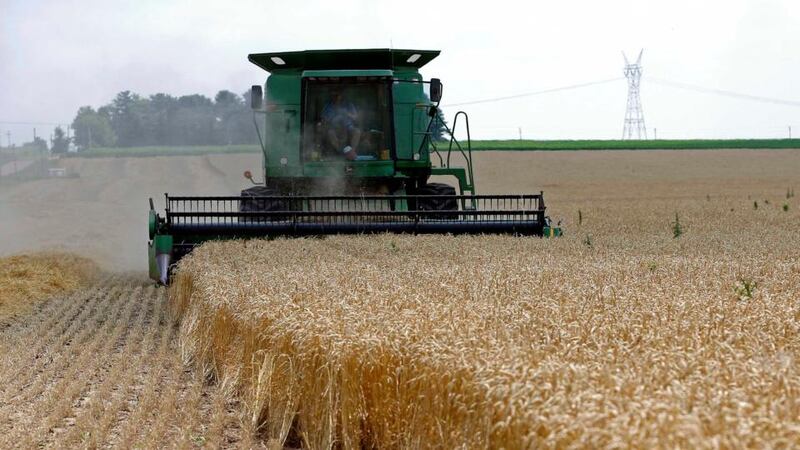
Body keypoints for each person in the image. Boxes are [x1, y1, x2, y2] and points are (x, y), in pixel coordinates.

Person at [320, 89, 361, 160]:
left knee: (357, 131)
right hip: (334, 128)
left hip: (348, 127)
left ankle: (351, 152)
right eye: (334, 95)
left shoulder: (348, 104)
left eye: (337, 95)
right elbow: (323, 118)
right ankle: (341, 152)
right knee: (330, 133)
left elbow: (355, 117)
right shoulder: (328, 105)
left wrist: (347, 114)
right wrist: (326, 120)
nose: (335, 97)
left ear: (341, 96)